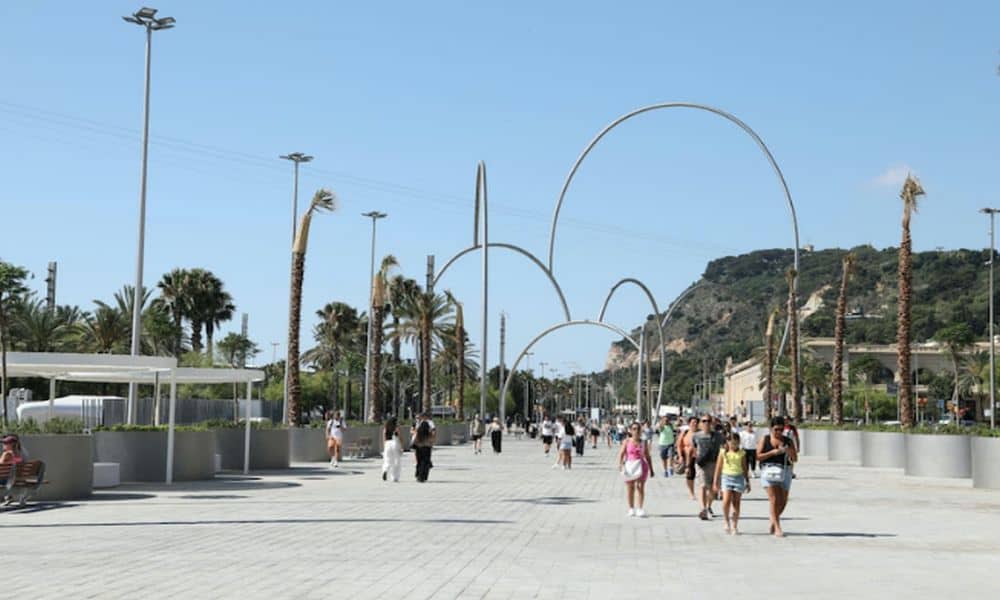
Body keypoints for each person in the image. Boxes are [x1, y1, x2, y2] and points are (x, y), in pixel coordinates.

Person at [757, 416, 798, 537]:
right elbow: (758, 456)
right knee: (774, 499)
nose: (778, 432)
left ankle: (773, 521)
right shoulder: (765, 439)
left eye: (781, 429)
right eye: (776, 429)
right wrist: (772, 453)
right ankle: (778, 528)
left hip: (785, 471)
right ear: (771, 428)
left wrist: (789, 451)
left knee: (783, 501)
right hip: (769, 471)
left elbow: (795, 458)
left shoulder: (787, 441)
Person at [713, 433, 750, 534]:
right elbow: (718, 467)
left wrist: (747, 481)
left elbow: (744, 467)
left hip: (738, 477)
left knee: (736, 503)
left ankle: (735, 525)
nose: (734, 445)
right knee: (726, 501)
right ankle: (726, 521)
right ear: (728, 442)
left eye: (736, 443)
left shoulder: (742, 453)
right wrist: (715, 482)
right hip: (726, 477)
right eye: (732, 443)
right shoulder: (723, 452)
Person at [618, 422, 653, 517]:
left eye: (638, 429)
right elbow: (621, 453)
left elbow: (647, 455)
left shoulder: (643, 442)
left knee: (640, 487)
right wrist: (620, 464)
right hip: (629, 466)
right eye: (634, 429)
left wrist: (651, 469)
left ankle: (640, 508)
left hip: (641, 466)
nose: (636, 431)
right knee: (630, 488)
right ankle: (631, 508)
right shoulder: (626, 441)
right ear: (630, 430)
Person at [693, 415, 725, 521]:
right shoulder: (696, 436)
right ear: (701, 423)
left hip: (715, 464)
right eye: (704, 421)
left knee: (713, 488)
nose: (706, 423)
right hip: (702, 464)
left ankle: (708, 506)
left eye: (708, 421)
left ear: (712, 423)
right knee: (702, 485)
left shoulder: (718, 436)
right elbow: (694, 448)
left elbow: (724, 448)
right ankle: (703, 509)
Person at [678, 416, 698, 501]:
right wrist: (680, 456)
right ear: (689, 424)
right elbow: (679, 445)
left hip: (698, 456)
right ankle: (691, 492)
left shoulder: (700, 433)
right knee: (690, 474)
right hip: (687, 456)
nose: (695, 424)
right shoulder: (685, 432)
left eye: (696, 422)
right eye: (693, 422)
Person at [381, 417, 403, 482]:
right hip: (395, 443)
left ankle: (385, 470)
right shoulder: (396, 428)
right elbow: (400, 437)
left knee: (387, 459)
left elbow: (384, 438)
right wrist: (402, 447)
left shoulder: (385, 428)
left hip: (387, 444)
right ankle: (394, 477)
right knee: (396, 460)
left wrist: (384, 447)